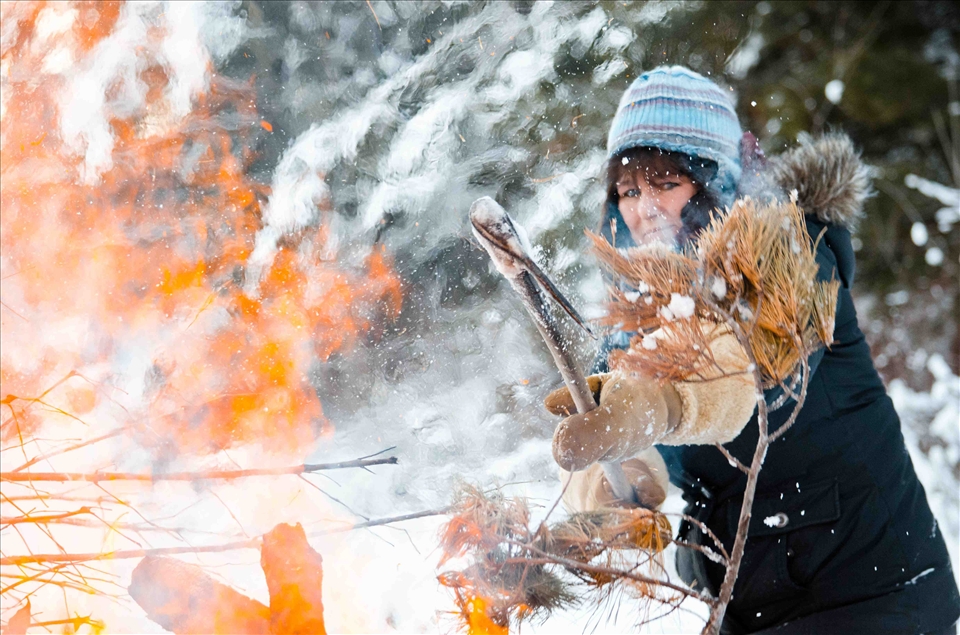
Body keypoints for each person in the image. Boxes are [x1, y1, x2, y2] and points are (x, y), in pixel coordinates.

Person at [544, 66, 960, 635]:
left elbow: (732, 370)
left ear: (714, 180)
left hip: (873, 597)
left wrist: (653, 407)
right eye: (629, 189)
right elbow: (625, 436)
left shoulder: (795, 258)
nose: (645, 208)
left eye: (666, 182)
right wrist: (620, 486)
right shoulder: (636, 322)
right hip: (752, 603)